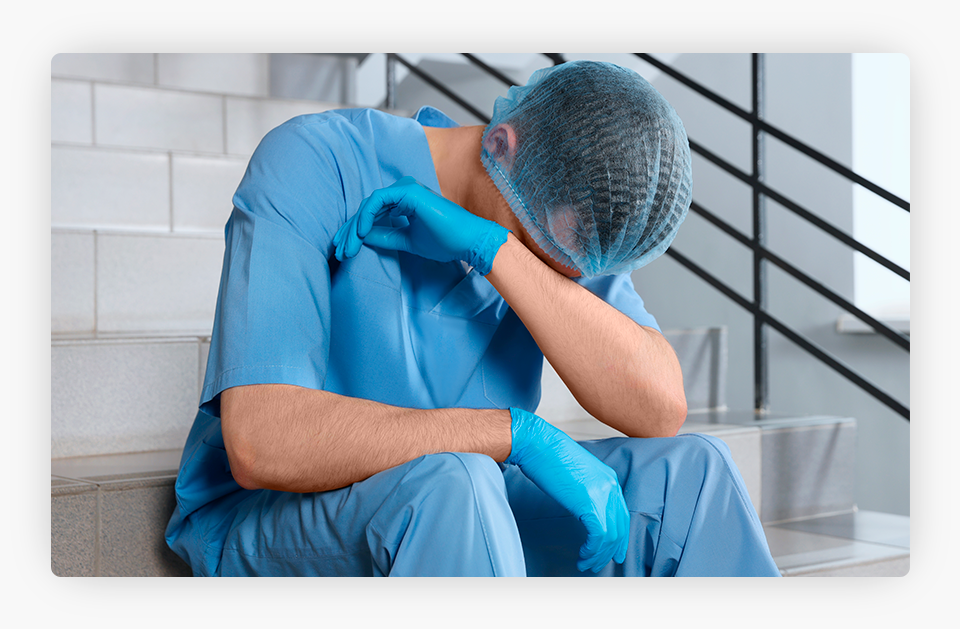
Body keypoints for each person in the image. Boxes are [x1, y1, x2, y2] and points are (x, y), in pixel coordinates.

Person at [165, 60, 781, 577]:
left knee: (696, 474)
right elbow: (261, 441)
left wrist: (497, 251)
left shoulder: (555, 223)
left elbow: (659, 408)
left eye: (572, 268)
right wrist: (514, 432)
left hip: (470, 501)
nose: (567, 278)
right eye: (547, 254)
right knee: (456, 483)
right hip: (279, 513)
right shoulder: (317, 160)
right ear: (500, 143)